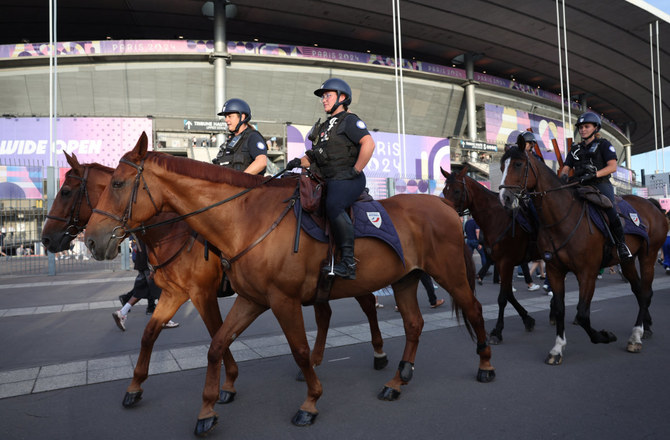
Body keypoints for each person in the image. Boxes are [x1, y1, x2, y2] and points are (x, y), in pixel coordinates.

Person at [285, 78, 375, 280]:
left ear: (342, 98)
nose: (323, 100)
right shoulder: (325, 126)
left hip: (347, 178)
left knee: (333, 205)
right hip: (329, 178)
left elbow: (368, 143)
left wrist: (356, 169)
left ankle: (349, 263)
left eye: (328, 95)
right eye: (322, 96)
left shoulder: (350, 120)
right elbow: (314, 156)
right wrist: (297, 162)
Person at [559, 112, 632, 260]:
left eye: (586, 126)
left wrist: (594, 175)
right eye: (580, 127)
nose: (583, 130)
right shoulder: (575, 149)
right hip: (577, 185)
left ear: (595, 128)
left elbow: (612, 167)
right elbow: (566, 167)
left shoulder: (604, 145)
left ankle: (621, 245)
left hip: (600, 184)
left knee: (610, 210)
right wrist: (563, 177)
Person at [113, 237, 178, 331]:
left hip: (141, 263)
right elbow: (150, 247)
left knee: (140, 291)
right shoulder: (148, 226)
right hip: (149, 265)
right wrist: (152, 267)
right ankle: (165, 320)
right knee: (162, 292)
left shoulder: (141, 227)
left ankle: (122, 313)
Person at [211, 98, 268, 175]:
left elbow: (261, 162)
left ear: (242, 117)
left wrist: (240, 179)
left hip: (246, 186)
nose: (226, 120)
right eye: (225, 117)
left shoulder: (253, 137)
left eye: (230, 116)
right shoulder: (230, 141)